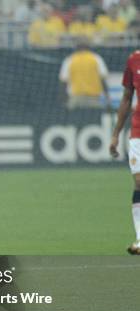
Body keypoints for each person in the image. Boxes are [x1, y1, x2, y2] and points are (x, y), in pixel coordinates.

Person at [109, 49, 140, 255]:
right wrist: (115, 134)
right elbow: (127, 97)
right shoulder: (134, 59)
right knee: (139, 182)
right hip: (138, 130)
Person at [58, 38, 110, 110]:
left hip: (76, 98)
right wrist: (107, 96)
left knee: (74, 121)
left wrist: (63, 100)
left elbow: (63, 82)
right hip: (93, 98)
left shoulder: (69, 60)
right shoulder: (96, 59)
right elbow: (103, 79)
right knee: (94, 120)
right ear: (89, 47)